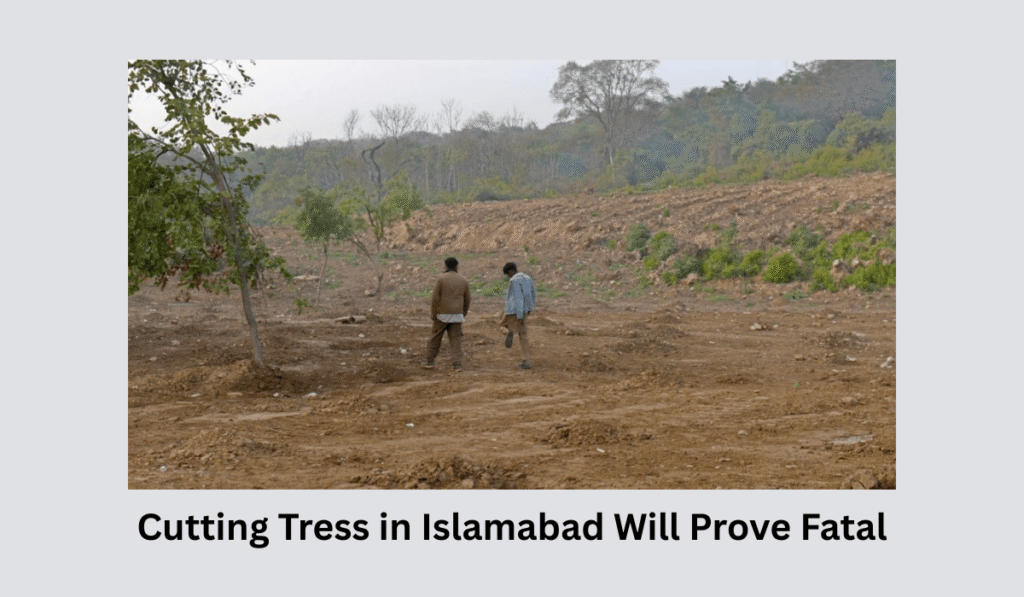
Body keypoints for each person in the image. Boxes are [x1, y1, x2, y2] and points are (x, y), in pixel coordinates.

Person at [424, 257, 471, 370]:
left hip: (442, 315)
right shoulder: (463, 280)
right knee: (456, 340)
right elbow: (468, 299)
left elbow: (435, 298)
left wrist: (433, 313)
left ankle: (430, 362)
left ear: (445, 266)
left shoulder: (440, 279)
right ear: (457, 267)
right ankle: (457, 364)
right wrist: (463, 313)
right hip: (457, 315)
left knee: (435, 338)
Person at [499, 262, 536, 370]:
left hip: (513, 310)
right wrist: (529, 309)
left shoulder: (514, 280)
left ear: (511, 271)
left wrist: (519, 315)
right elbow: (533, 294)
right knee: (523, 335)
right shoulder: (528, 278)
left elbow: (518, 297)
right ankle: (526, 360)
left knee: (502, 326)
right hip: (525, 310)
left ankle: (509, 332)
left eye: (507, 274)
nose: (508, 276)